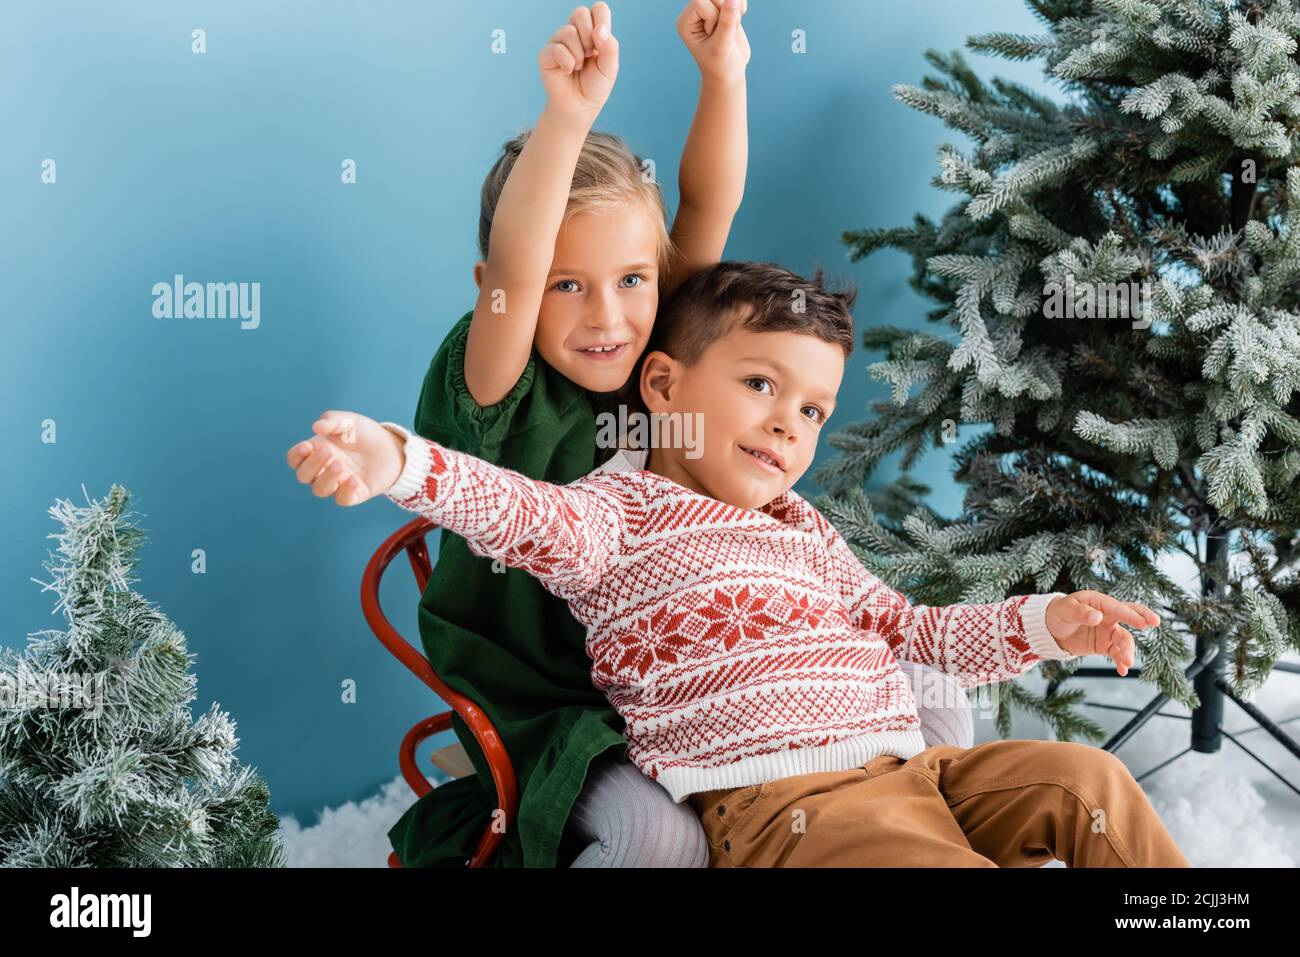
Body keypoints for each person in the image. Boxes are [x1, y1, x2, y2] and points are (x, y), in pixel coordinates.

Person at [288, 260, 1190, 867]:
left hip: (914, 768)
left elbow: (914, 629)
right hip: (782, 802)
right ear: (666, 388)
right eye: (761, 385)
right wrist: (397, 460)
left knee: (1089, 780)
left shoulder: (803, 526)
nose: (786, 425)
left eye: (811, 412)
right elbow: (508, 506)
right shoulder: (617, 514)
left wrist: (1048, 621)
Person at [397, 1, 750, 867]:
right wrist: (567, 116)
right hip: (545, 695)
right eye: (568, 286)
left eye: (632, 278)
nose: (608, 317)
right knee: (659, 839)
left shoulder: (656, 345)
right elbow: (519, 260)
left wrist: (723, 76)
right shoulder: (499, 380)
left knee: (791, 785)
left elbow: (706, 204)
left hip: (662, 667)